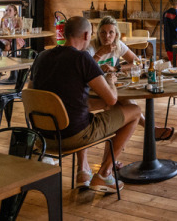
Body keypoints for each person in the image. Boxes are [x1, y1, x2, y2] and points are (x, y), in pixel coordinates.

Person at [29, 16, 141, 193]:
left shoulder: (41, 56)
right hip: (73, 136)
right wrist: (110, 81)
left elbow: (31, 92)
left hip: (42, 138)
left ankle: (83, 171)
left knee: (87, 111)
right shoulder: (82, 58)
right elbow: (111, 99)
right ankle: (104, 174)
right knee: (134, 110)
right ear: (87, 35)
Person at [87, 16, 174, 141]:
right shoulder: (91, 47)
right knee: (123, 105)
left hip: (111, 87)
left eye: (111, 32)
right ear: (98, 34)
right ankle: (151, 130)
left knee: (123, 104)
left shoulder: (118, 45)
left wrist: (116, 68)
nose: (107, 36)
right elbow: (86, 69)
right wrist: (100, 53)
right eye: (103, 32)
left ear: (116, 34)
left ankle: (149, 130)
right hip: (93, 91)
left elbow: (137, 63)